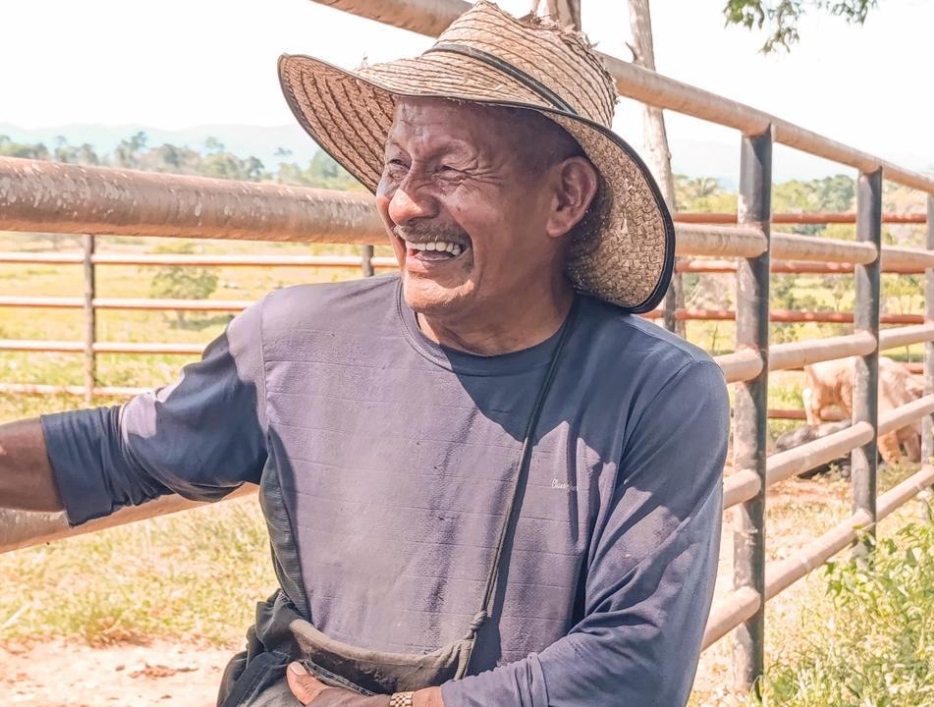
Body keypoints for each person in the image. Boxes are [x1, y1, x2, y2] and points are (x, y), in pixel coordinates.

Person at [0, 3, 730, 706]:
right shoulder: (290, 341)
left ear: (565, 197)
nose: (405, 203)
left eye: (450, 168)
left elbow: (634, 665)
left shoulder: (657, 391)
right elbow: (119, 451)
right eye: (395, 163)